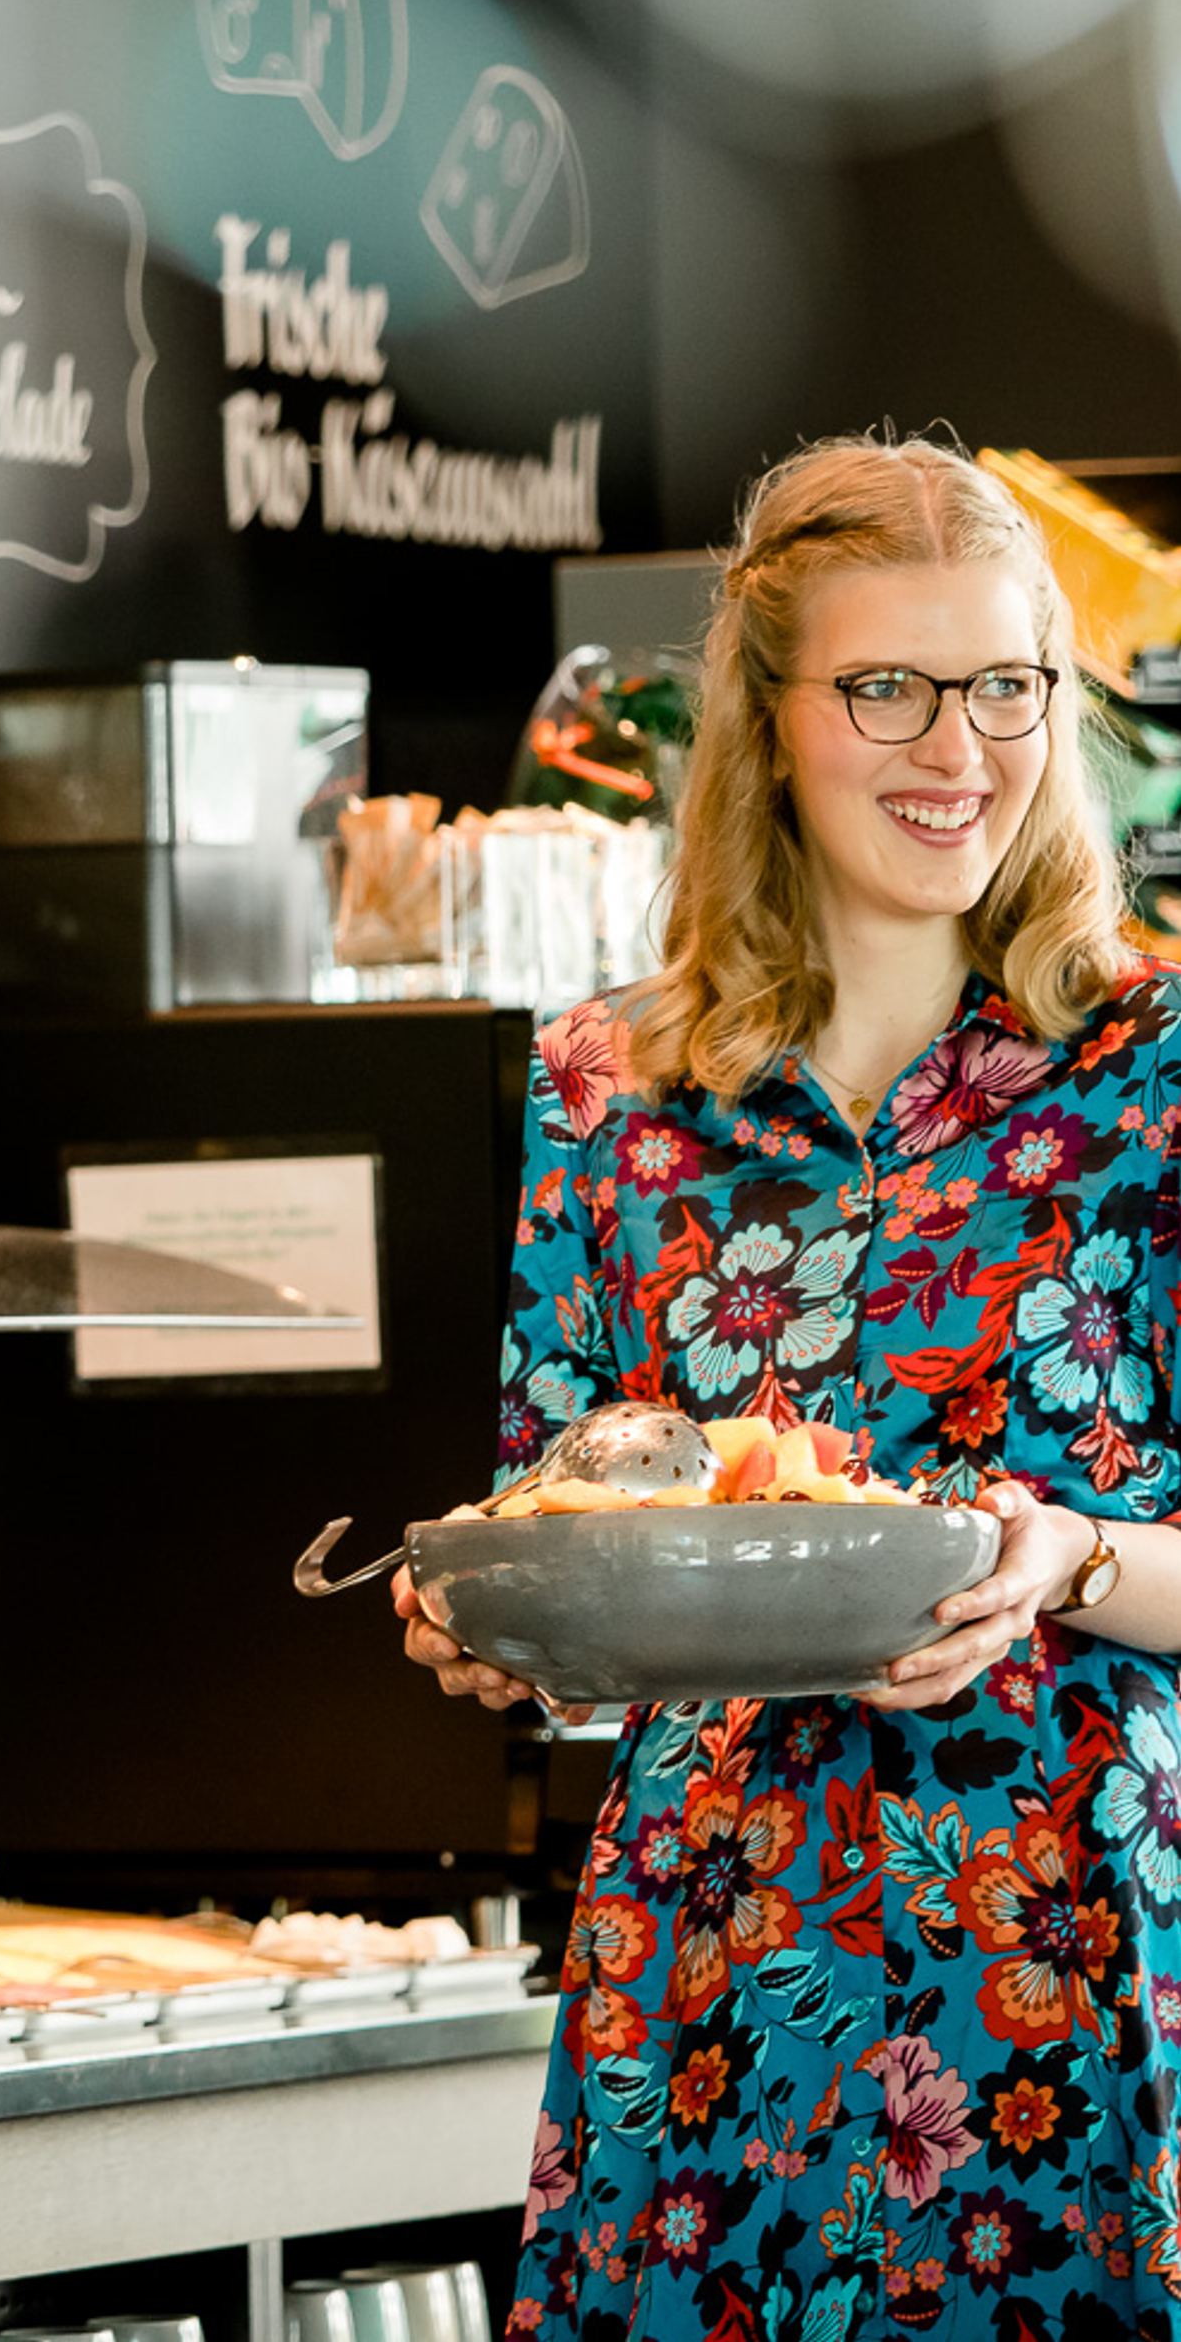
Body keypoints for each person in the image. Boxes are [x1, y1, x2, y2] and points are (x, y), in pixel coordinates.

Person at [396, 431, 1181, 2339]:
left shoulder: (1154, 1072)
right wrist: (506, 1631)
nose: (959, 747)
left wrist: (1068, 1559)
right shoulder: (610, 1093)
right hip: (716, 1973)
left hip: (1081, 1959)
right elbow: (571, 1521)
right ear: (767, 719)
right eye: (888, 687)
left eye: (1006, 686)